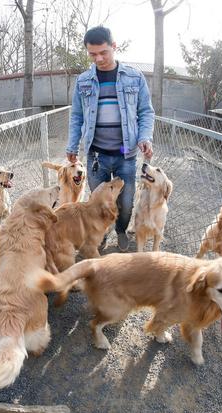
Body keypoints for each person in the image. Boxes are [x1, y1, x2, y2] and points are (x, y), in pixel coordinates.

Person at [66, 25, 155, 252]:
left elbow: (146, 111)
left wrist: (145, 137)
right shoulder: (83, 81)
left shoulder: (134, 77)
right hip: (97, 156)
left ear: (114, 47)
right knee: (98, 203)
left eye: (103, 52)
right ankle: (101, 233)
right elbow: (76, 116)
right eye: (92, 54)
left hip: (126, 155)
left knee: (125, 204)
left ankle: (121, 230)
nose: (98, 58)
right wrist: (72, 144)